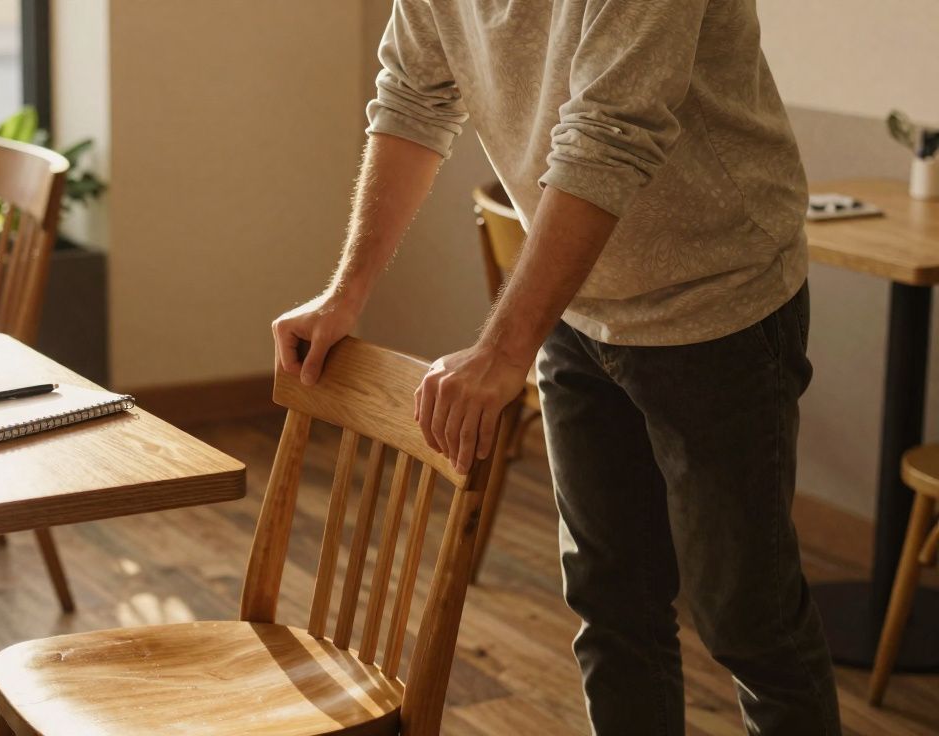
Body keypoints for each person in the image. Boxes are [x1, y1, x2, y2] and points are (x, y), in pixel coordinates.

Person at [270, 1, 841, 733]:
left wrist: (503, 351)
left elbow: (609, 135)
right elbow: (412, 98)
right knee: (611, 606)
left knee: (749, 621)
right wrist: (345, 294)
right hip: (573, 306)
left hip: (715, 304)